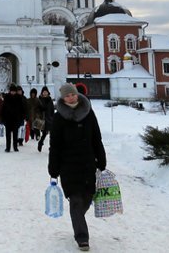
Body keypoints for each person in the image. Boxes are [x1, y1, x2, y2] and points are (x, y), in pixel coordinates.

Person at [48, 82, 106, 251]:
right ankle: (82, 238)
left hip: (87, 162)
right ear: (63, 98)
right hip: (68, 165)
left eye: (72, 94)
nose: (71, 97)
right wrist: (53, 168)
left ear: (77, 94)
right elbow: (55, 144)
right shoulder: (59, 117)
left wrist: (101, 159)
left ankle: (77, 218)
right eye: (67, 95)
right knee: (75, 200)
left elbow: (96, 138)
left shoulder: (89, 113)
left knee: (87, 198)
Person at [0, 84, 23, 152]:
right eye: (12, 91)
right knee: (8, 135)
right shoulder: (6, 98)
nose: (13, 92)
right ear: (10, 91)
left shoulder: (19, 98)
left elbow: (22, 109)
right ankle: (8, 147)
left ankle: (15, 147)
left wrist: (21, 117)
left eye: (14, 91)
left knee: (15, 134)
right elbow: (3, 108)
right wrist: (2, 117)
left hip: (16, 119)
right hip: (8, 119)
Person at [36, 85, 55, 152]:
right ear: (42, 93)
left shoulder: (50, 100)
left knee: (51, 134)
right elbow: (37, 109)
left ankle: (51, 147)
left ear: (48, 92)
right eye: (44, 92)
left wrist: (52, 117)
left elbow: (52, 109)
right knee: (44, 133)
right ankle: (40, 143)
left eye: (46, 92)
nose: (45, 93)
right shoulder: (39, 99)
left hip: (49, 118)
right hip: (42, 119)